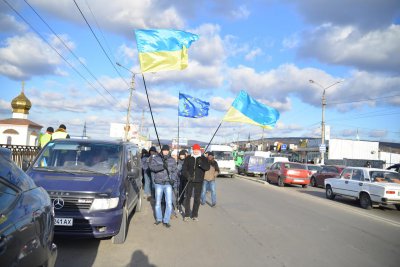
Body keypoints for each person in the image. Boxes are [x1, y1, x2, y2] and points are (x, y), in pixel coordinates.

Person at [149, 145, 178, 228]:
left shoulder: (172, 160)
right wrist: (162, 167)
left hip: (168, 184)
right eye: (164, 150)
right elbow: (152, 168)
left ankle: (166, 220)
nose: (165, 151)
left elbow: (175, 171)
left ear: (169, 151)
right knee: (157, 202)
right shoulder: (156, 158)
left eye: (167, 150)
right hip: (159, 183)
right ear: (162, 151)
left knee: (169, 203)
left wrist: (173, 179)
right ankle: (158, 219)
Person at [182, 144, 210, 221]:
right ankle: (187, 215)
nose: (196, 151)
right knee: (188, 197)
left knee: (197, 199)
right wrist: (188, 176)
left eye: (197, 150)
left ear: (199, 150)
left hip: (199, 181)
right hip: (189, 180)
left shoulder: (203, 158)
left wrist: (201, 164)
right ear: (193, 150)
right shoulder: (188, 158)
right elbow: (184, 169)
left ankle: (194, 215)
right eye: (194, 150)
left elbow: (207, 168)